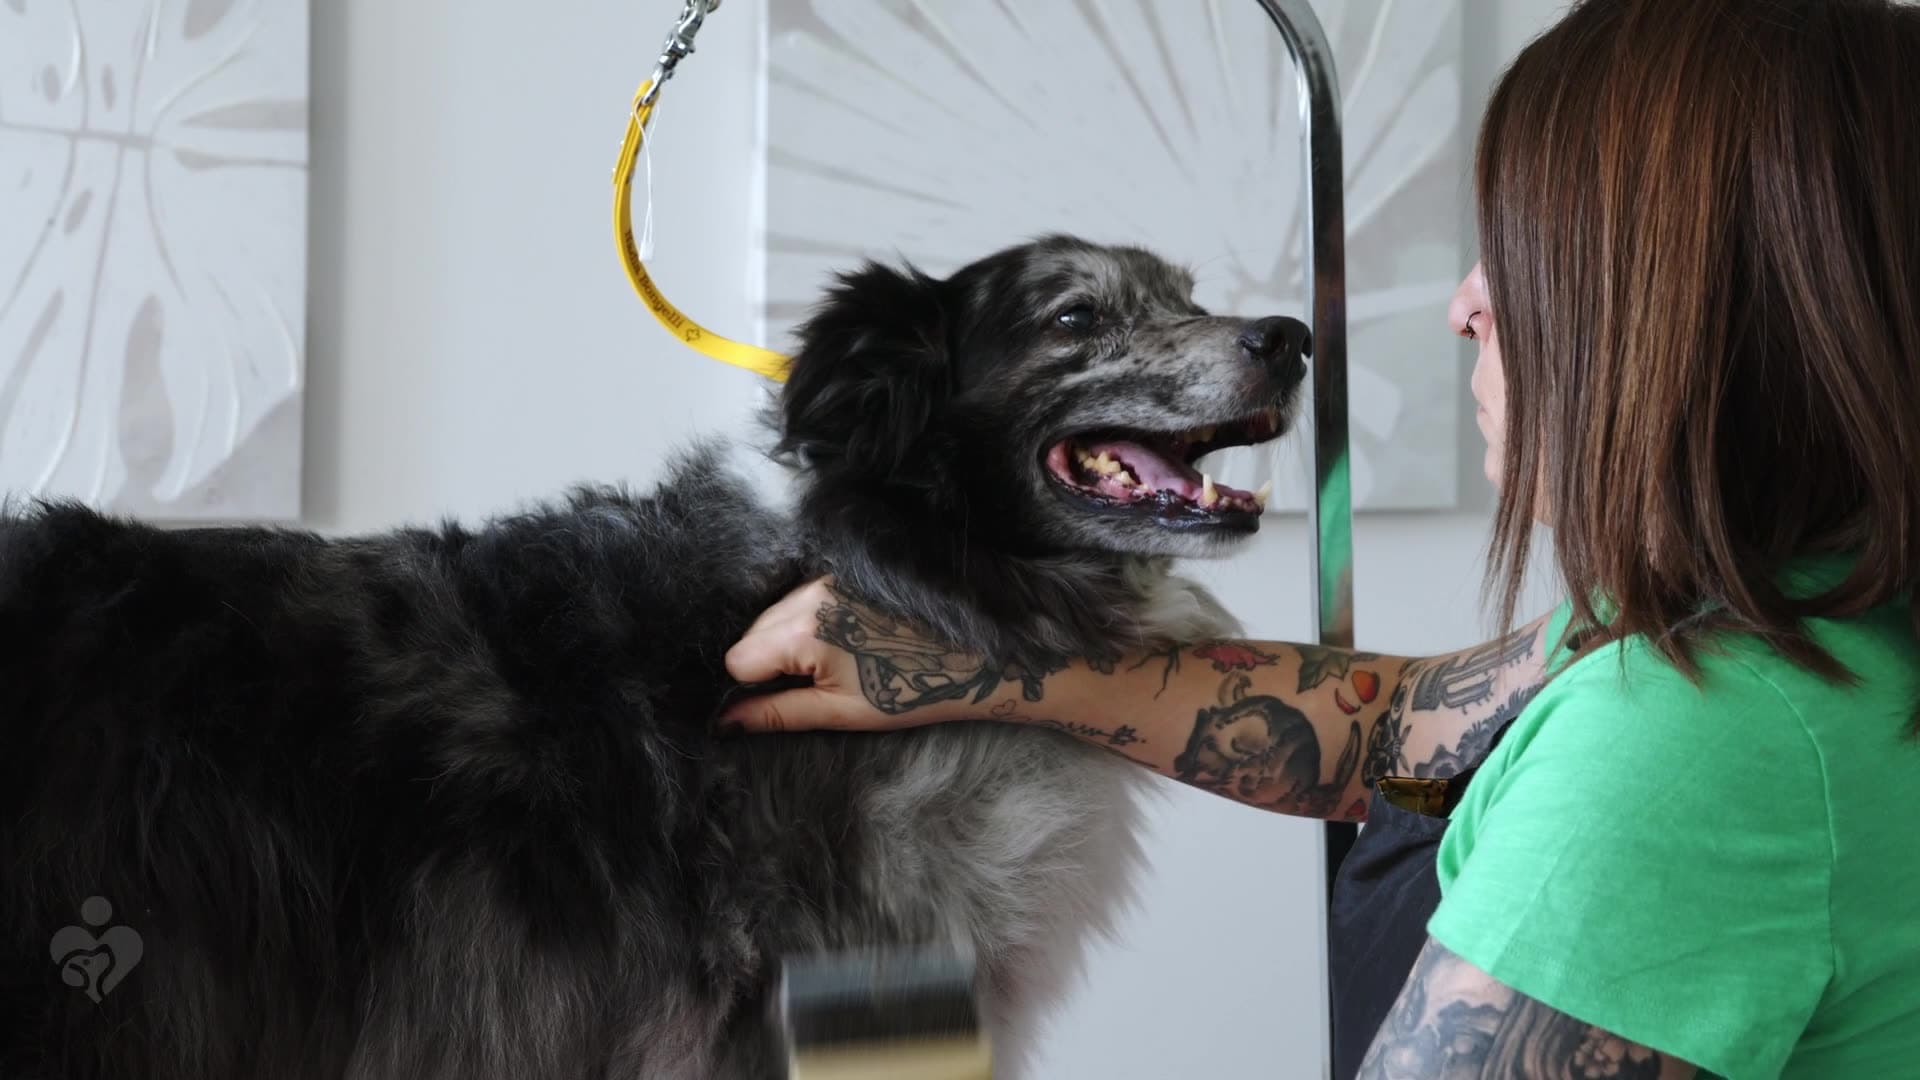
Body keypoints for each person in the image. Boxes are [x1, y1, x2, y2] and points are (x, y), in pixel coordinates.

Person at [720, 0, 1920, 1076]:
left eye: (1524, 246)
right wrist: (1001, 667)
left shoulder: (1685, 753)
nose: (1466, 302)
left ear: (1697, 306)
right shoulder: (1775, 613)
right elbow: (1407, 739)